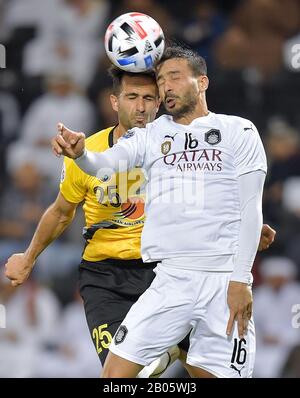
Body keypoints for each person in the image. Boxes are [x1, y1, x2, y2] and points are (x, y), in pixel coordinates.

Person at [5, 62, 275, 378]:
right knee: (127, 375)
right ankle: (163, 354)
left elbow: (210, 197)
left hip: (163, 272)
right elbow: (62, 211)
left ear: (159, 102)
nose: (141, 106)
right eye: (132, 97)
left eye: (149, 98)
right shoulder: (91, 149)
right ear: (114, 101)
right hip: (108, 276)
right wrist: (29, 256)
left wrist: (245, 227)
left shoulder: (172, 144)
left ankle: (168, 352)